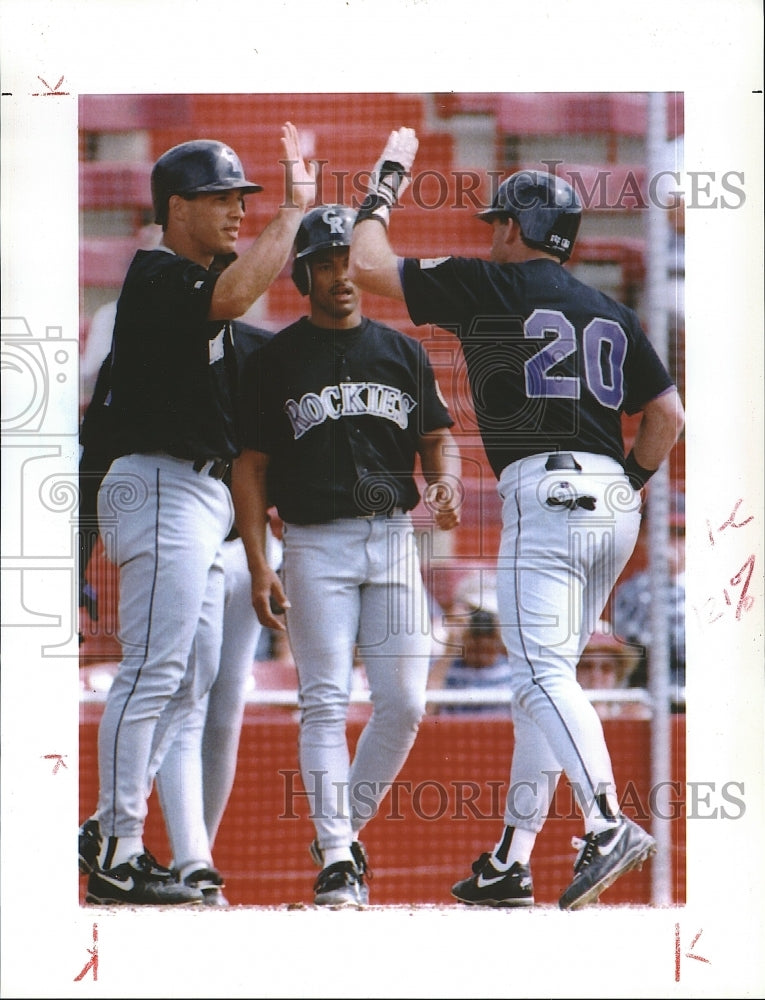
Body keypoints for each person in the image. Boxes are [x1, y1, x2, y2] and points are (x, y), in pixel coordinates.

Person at [349, 129, 685, 910]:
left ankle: (605, 821)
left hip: (548, 497)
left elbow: (365, 264)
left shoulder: (488, 286)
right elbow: (667, 414)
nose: (491, 232)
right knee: (545, 681)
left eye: (500, 221)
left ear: (518, 229)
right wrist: (629, 482)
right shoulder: (610, 308)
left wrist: (385, 182)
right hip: (612, 503)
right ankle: (510, 857)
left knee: (538, 674)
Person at [77, 126, 316, 905]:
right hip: (158, 485)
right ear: (176, 207)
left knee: (180, 685)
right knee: (154, 674)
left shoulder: (193, 300)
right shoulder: (154, 276)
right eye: (220, 198)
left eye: (243, 199)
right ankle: (115, 845)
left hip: (193, 493)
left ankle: (114, 831)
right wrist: (295, 208)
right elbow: (239, 292)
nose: (236, 211)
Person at [232, 203, 462, 907]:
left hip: (392, 538)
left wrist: (446, 479)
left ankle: (343, 832)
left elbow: (436, 439)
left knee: (403, 703)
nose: (341, 274)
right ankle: (335, 852)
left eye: (347, 260)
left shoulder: (401, 351)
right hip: (313, 543)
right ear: (301, 274)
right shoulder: (275, 358)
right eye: (325, 263)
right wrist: (258, 560)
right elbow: (250, 467)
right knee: (324, 701)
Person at [152, 321, 283, 905]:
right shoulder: (161, 342)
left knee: (227, 700)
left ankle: (203, 855)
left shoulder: (261, 348)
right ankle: (192, 857)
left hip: (250, 542)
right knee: (189, 692)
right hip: (192, 537)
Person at [611, 491, 686, 707]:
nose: (671, 543)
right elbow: (630, 659)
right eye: (662, 533)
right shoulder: (630, 593)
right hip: (646, 703)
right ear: (644, 537)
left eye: (679, 533)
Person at [433, 606, 513, 715]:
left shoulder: (509, 670)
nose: (480, 656)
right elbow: (428, 708)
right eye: (474, 650)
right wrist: (450, 648)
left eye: (486, 650)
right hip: (456, 729)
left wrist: (506, 641)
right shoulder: (446, 669)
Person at [576, 620, 650, 721]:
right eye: (587, 666)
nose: (596, 676)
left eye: (606, 668)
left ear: (618, 674)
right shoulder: (555, 714)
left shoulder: (636, 716)